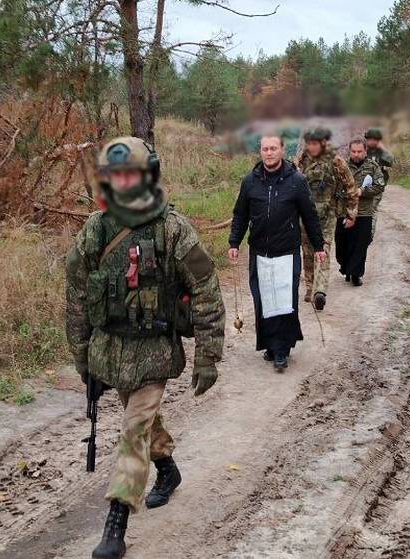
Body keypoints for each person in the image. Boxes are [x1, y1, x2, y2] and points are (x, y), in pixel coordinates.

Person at [66, 137, 225, 559]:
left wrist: (208, 355)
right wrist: (82, 356)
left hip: (154, 350)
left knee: (133, 429)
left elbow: (206, 289)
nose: (123, 183)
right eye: (115, 176)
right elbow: (78, 294)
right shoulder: (96, 229)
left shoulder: (173, 228)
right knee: (145, 426)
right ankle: (168, 471)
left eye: (130, 174)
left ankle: (115, 524)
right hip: (112, 352)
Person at [228, 135, 326, 372]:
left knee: (284, 300)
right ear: (260, 152)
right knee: (263, 300)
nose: (269, 153)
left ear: (282, 150)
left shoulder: (296, 181)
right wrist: (234, 242)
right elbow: (240, 214)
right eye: (265, 149)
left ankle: (282, 349)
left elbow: (309, 215)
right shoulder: (250, 181)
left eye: (273, 148)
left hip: (286, 252)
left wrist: (319, 246)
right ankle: (270, 345)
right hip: (260, 251)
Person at [293, 127, 358, 309]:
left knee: (323, 249)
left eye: (315, 144)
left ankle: (319, 291)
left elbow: (351, 188)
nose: (311, 147)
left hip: (328, 214)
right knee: (306, 251)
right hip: (305, 214)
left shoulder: (336, 162)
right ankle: (309, 287)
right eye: (309, 144)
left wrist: (351, 214)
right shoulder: (301, 160)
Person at [335, 139, 385, 286]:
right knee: (342, 243)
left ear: (365, 152)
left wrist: (362, 191)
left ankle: (356, 274)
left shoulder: (372, 166)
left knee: (360, 245)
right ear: (349, 151)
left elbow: (379, 185)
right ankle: (346, 268)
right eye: (354, 151)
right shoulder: (341, 166)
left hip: (364, 212)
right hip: (344, 212)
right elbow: (334, 186)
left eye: (359, 151)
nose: (356, 154)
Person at [364, 128, 396, 236]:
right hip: (361, 186)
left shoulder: (381, 153)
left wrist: (383, 149)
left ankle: (369, 233)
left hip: (377, 187)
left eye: (375, 140)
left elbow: (392, 161)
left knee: (372, 209)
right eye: (370, 139)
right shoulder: (362, 150)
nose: (372, 142)